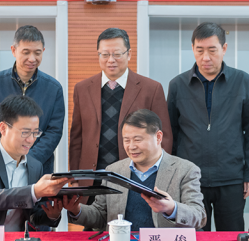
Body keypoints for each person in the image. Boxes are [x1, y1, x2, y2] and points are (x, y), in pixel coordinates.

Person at [167, 22, 249, 231]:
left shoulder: (242, 80)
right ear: (193, 48)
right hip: (189, 179)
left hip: (231, 178)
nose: (206, 57)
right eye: (200, 50)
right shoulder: (177, 85)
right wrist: (172, 176)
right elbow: (171, 133)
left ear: (224, 48)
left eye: (212, 50)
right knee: (194, 239)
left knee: (232, 238)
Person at [63, 109, 206, 230]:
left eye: (138, 140)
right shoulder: (114, 170)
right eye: (126, 140)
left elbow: (199, 216)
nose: (131, 146)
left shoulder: (185, 170)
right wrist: (76, 209)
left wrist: (171, 208)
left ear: (158, 137)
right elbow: (101, 216)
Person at [69, 27, 173, 176]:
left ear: (129, 54)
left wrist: (159, 175)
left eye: (117, 54)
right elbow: (76, 139)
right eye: (105, 54)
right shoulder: (82, 89)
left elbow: (164, 137)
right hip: (91, 176)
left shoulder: (151, 89)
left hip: (137, 175)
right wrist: (74, 178)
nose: (111, 60)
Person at [0, 95, 70, 230]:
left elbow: (32, 216)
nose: (31, 140)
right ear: (3, 128)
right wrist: (34, 191)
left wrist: (52, 214)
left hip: (17, 240)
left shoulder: (35, 166)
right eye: (25, 132)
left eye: (35, 133)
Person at [0, 25, 64, 176]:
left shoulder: (54, 88)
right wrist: (5, 158)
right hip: (1, 167)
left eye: (37, 53)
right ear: (13, 50)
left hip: (39, 167)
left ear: (43, 51)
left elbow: (54, 132)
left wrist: (29, 160)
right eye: (26, 52)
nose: (32, 59)